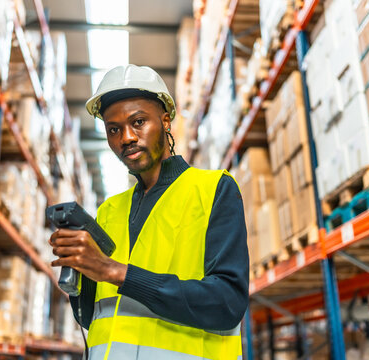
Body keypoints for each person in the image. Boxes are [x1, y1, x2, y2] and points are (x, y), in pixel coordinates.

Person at [49, 64, 249, 360]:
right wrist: (79, 270)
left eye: (138, 122)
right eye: (113, 129)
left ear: (166, 121)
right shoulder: (108, 211)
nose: (126, 137)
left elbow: (226, 304)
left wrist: (113, 271)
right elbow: (93, 317)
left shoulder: (213, 189)